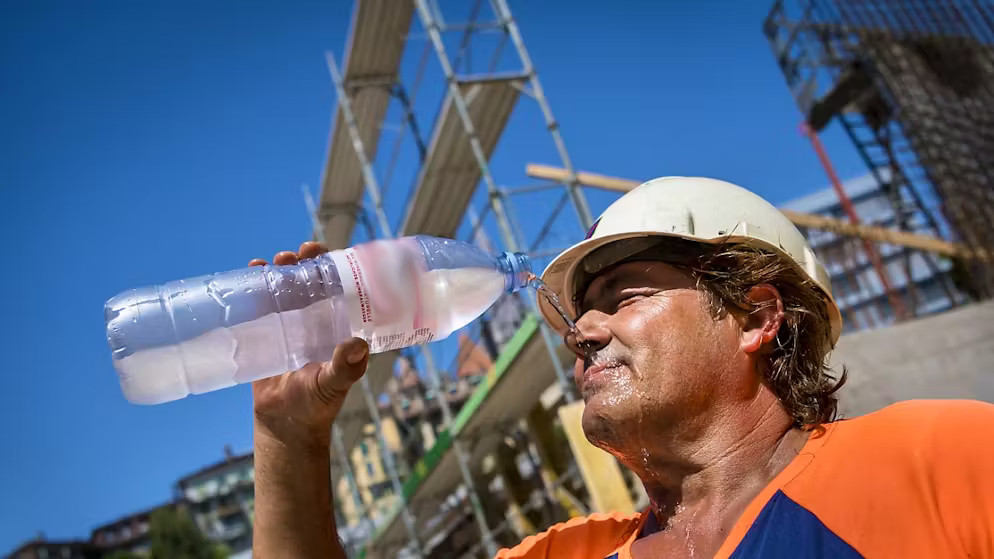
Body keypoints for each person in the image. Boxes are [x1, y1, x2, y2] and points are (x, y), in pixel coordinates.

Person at [250, 177, 994, 559]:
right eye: (581, 313)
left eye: (625, 296)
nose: (583, 333)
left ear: (758, 317)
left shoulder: (940, 460)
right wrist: (289, 438)